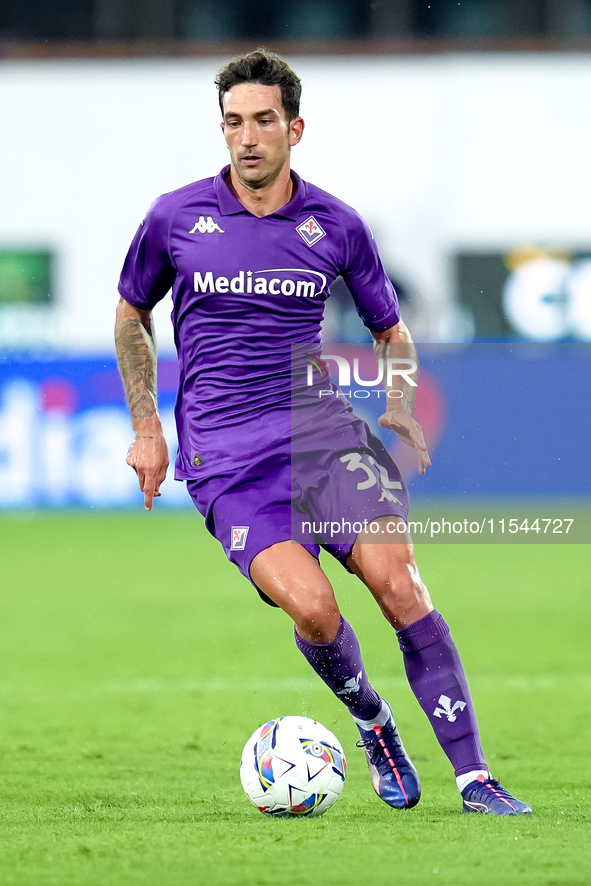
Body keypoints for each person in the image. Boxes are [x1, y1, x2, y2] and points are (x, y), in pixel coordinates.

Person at [115, 49, 531, 816]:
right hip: (227, 462)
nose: (246, 138)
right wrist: (147, 427)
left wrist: (399, 402)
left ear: (293, 128)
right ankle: (373, 723)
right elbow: (131, 315)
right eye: (233, 122)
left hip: (322, 440)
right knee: (313, 610)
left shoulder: (334, 224)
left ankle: (475, 778)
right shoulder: (176, 217)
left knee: (398, 585)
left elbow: (390, 330)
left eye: (262, 121)